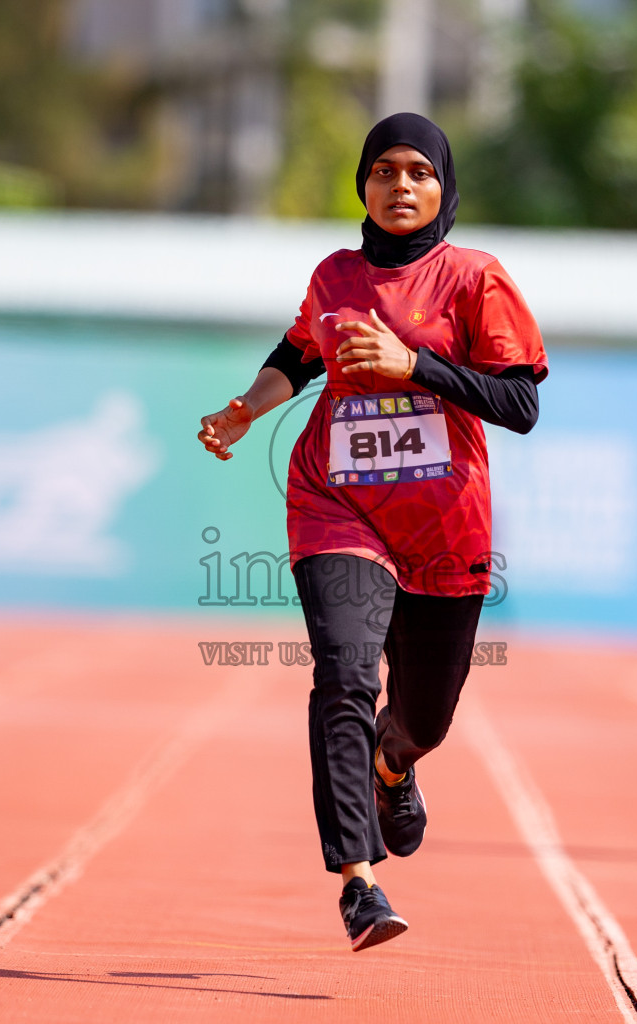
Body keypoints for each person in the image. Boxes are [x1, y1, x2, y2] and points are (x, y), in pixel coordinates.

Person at [197, 113, 547, 950]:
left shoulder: (474, 279)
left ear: (443, 188)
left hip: (443, 526)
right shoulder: (335, 276)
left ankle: (395, 764)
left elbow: (523, 405)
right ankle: (358, 881)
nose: (401, 185)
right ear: (363, 185)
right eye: (384, 170)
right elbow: (297, 353)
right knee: (344, 676)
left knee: (424, 716)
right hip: (336, 505)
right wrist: (247, 407)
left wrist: (415, 365)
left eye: (419, 172)